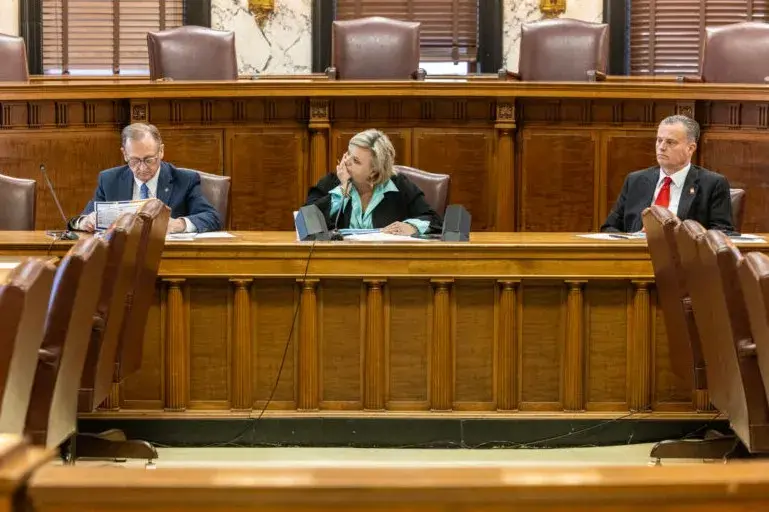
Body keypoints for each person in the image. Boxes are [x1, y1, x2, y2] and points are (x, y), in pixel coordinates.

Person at [70, 123, 221, 234]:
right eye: (135, 161)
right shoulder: (110, 180)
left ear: (161, 151)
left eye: (149, 160)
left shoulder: (184, 180)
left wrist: (178, 224)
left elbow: (212, 218)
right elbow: (80, 219)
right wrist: (84, 222)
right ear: (125, 154)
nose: (142, 168)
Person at [601, 115, 734, 233]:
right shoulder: (635, 180)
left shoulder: (712, 184)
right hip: (637, 251)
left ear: (690, 148)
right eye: (659, 140)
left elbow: (722, 233)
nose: (661, 147)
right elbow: (609, 228)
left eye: (670, 142)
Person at [306, 129, 441, 235]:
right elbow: (306, 221)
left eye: (356, 161)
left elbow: (433, 219)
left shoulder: (398, 185)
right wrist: (343, 189)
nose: (346, 162)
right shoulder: (333, 182)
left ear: (374, 171)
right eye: (348, 154)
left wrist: (412, 227)